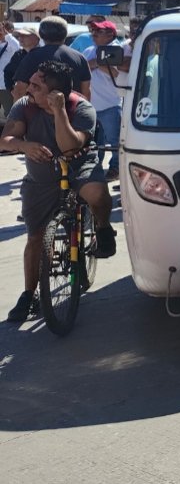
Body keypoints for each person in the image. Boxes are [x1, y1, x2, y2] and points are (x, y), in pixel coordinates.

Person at [3, 60, 116, 323]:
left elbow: (69, 148)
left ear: (56, 93)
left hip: (77, 168)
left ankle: (102, 227)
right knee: (35, 238)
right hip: (41, 179)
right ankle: (29, 295)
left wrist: (59, 112)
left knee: (97, 193)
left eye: (35, 86)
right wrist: (23, 145)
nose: (27, 90)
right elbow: (5, 140)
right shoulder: (25, 106)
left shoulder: (82, 108)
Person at [12, 16, 92, 101]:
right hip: (71, 111)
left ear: (41, 35)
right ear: (65, 33)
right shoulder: (79, 58)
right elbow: (86, 92)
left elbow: (20, 90)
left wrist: (18, 112)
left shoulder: (32, 56)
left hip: (39, 111)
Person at [84, 19, 125, 181]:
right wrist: (93, 63)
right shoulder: (89, 50)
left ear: (111, 34)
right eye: (93, 31)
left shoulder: (119, 50)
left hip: (111, 105)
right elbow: (81, 70)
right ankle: (96, 169)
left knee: (115, 142)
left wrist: (96, 64)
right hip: (90, 106)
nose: (94, 34)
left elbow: (117, 74)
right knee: (94, 142)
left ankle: (115, 169)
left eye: (99, 31)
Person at [4, 25, 40, 95]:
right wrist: (11, 90)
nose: (20, 38)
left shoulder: (42, 54)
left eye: (24, 35)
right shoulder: (18, 54)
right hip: (20, 96)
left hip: (37, 97)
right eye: (19, 35)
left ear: (36, 37)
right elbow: (8, 72)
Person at [0, 22, 21, 114]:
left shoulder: (13, 45)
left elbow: (18, 48)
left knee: (9, 113)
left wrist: (7, 36)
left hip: (5, 87)